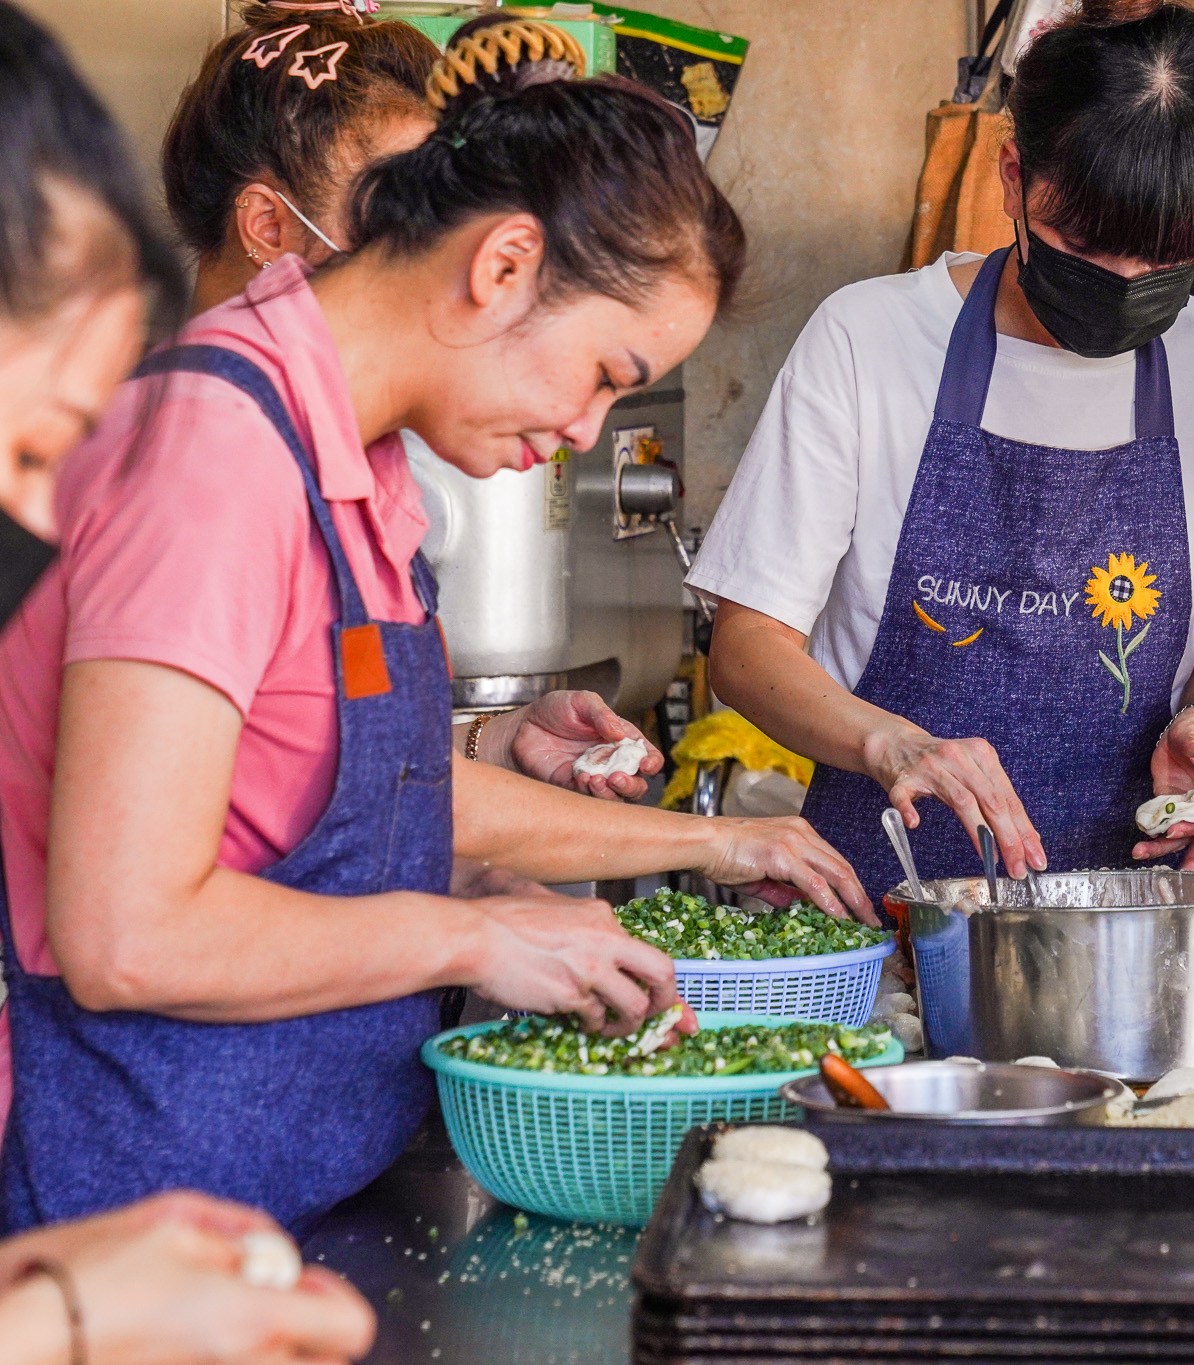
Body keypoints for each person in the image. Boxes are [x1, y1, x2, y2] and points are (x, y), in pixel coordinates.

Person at [0, 19, 871, 1240]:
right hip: (149, 1222)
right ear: (504, 265)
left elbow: (334, 811)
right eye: (607, 370)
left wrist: (495, 882)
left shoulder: (365, 467)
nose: (586, 429)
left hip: (316, 1185)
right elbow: (127, 934)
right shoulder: (211, 454)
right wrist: (468, 933)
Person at [688, 0, 1194, 896]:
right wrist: (892, 742)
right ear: (1015, 180)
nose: (1124, 289)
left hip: (1118, 919)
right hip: (879, 906)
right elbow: (747, 645)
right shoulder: (870, 337)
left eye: (1165, 259)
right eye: (1088, 247)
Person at [0, 6, 375, 1360]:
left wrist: (70, 1282)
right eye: (35, 444)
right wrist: (77, 1308)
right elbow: (126, 929)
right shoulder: (207, 445)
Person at [169, 1, 664, 803]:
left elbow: (322, 754)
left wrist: (491, 739)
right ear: (266, 224)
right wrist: (714, 840)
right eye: (392, 213)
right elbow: (180, 845)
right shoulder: (193, 458)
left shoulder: (365, 452)